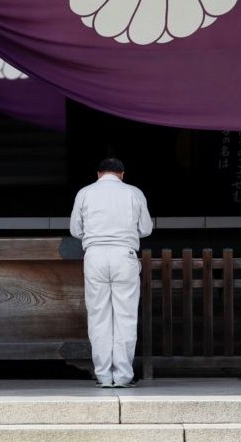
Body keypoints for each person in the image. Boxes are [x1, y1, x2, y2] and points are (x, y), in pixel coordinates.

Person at [69, 157, 153, 388]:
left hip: (95, 256)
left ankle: (104, 375)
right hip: (124, 255)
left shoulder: (85, 192)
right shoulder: (134, 193)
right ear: (122, 174)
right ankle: (123, 375)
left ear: (98, 174)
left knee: (99, 316)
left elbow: (75, 230)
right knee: (125, 317)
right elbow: (146, 229)